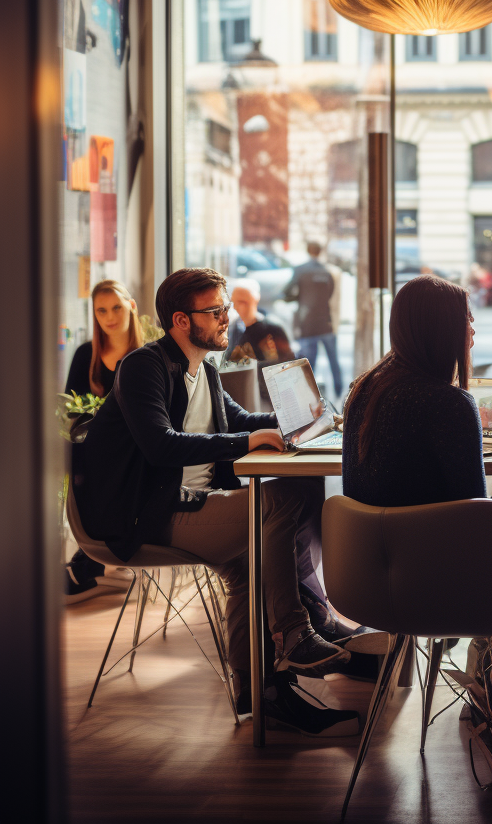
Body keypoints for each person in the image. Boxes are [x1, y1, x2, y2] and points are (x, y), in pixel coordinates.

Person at [75, 268, 369, 735]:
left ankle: (265, 693)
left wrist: (305, 419)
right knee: (282, 497)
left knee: (255, 558)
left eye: (226, 308)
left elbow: (241, 421)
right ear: (180, 320)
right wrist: (249, 439)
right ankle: (297, 629)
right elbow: (161, 445)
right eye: (215, 311)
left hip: (197, 503)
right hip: (149, 514)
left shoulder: (204, 370)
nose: (226, 318)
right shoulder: (144, 367)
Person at [341, 274, 492, 748]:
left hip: (368, 584)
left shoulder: (365, 391)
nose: (473, 330)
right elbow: (476, 519)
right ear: (441, 329)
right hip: (431, 584)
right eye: (467, 319)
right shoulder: (449, 402)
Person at [64, 280, 145, 602]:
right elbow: (71, 411)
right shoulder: (86, 354)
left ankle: (89, 564)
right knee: (83, 465)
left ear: (132, 307)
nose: (109, 316)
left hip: (136, 450)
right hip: (94, 449)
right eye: (101, 310)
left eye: (116, 307)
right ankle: (95, 560)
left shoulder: (144, 356)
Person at [284, 241, 342, 399]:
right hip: (326, 323)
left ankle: (312, 398)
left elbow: (287, 291)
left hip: (307, 324)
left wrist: (300, 298)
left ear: (308, 250)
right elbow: (330, 294)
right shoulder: (327, 271)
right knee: (333, 361)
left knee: (310, 365)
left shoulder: (300, 270)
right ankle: (341, 395)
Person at [226, 280, 295, 366]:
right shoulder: (234, 327)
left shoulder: (272, 328)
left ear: (254, 301)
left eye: (242, 302)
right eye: (234, 302)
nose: (236, 307)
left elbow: (289, 361)